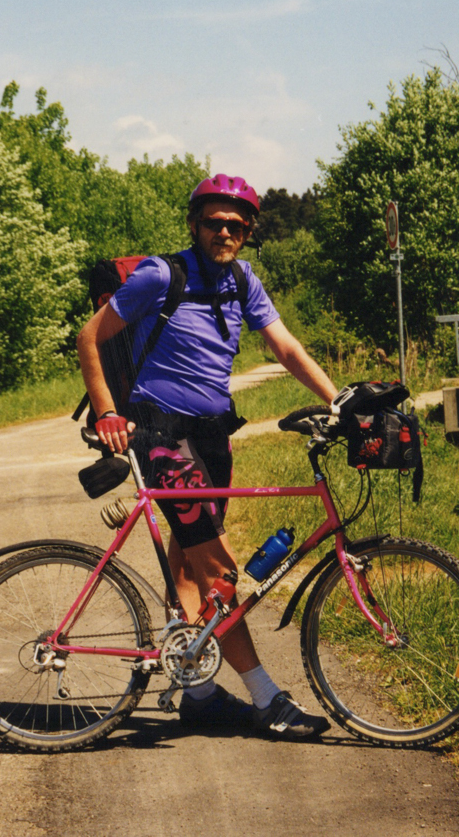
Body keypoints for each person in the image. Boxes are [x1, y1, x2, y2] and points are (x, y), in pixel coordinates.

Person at [77, 174, 337, 739]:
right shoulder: (161, 275)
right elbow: (90, 337)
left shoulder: (243, 280)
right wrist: (106, 413)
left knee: (191, 563)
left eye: (236, 224)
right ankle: (267, 699)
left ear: (247, 233)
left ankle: (196, 691)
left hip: (214, 434)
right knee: (220, 570)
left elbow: (284, 345)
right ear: (195, 225)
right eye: (214, 222)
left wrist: (335, 398)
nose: (225, 231)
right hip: (162, 433)